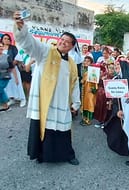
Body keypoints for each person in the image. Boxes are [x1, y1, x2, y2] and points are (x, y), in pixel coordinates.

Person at [13, 11, 81, 165]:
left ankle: (67, 155)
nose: (63, 42)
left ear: (72, 46)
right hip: (45, 100)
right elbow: (29, 43)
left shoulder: (72, 63)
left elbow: (75, 83)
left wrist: (76, 103)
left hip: (62, 101)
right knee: (44, 127)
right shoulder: (45, 52)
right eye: (62, 39)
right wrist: (21, 27)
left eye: (67, 41)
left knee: (63, 130)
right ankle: (41, 154)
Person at [80, 56, 98, 126]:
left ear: (91, 63)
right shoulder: (84, 70)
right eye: (85, 61)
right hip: (85, 89)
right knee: (85, 104)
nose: (86, 62)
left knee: (90, 104)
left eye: (88, 61)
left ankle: (88, 120)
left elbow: (95, 82)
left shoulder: (93, 70)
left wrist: (93, 89)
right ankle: (84, 118)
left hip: (90, 90)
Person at [0, 41, 14, 111]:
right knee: (1, 90)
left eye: (1, 46)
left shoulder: (7, 57)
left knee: (0, 89)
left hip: (5, 76)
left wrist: (7, 72)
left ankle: (6, 104)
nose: (0, 47)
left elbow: (12, 66)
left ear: (3, 47)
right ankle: (6, 106)